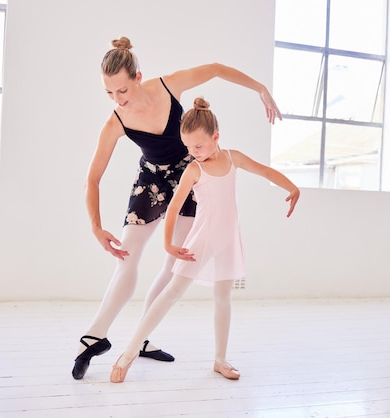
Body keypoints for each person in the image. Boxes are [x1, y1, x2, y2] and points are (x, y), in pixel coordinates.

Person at [72, 37, 283, 380]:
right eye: (109, 94)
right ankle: (93, 337)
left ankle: (141, 339)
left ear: (138, 77)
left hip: (190, 176)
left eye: (122, 91)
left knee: (175, 262)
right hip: (151, 180)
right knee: (127, 256)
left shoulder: (169, 87)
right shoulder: (116, 123)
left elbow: (215, 69)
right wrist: (96, 227)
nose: (117, 100)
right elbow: (92, 179)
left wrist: (260, 87)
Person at [109, 97, 300, 383]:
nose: (193, 152)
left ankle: (220, 360)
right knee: (171, 293)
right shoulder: (194, 169)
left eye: (198, 146)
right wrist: (168, 245)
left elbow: (264, 171)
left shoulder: (234, 158)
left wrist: (292, 187)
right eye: (188, 147)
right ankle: (129, 353)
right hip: (202, 240)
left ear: (216, 137)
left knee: (223, 297)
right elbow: (172, 209)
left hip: (229, 239)